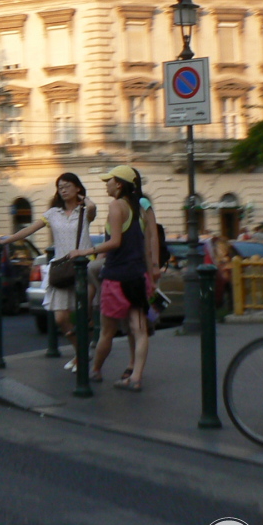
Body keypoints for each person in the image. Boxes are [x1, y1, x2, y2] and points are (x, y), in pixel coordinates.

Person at [66, 165, 157, 391]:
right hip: (137, 277)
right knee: (139, 329)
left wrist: (85, 252)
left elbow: (115, 242)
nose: (106, 184)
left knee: (107, 330)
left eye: (109, 180)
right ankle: (136, 377)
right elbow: (146, 246)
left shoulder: (116, 205)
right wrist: (151, 276)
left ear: (119, 184)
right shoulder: (138, 207)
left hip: (116, 278)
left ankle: (95, 370)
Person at [0, 173, 97, 371]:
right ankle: (80, 352)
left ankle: (81, 356)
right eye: (60, 187)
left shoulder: (85, 210)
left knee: (82, 316)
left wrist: (85, 198)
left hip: (83, 269)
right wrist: (5, 240)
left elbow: (92, 209)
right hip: (61, 269)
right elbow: (29, 230)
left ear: (77, 188)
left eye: (67, 186)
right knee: (60, 318)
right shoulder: (53, 213)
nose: (63, 190)